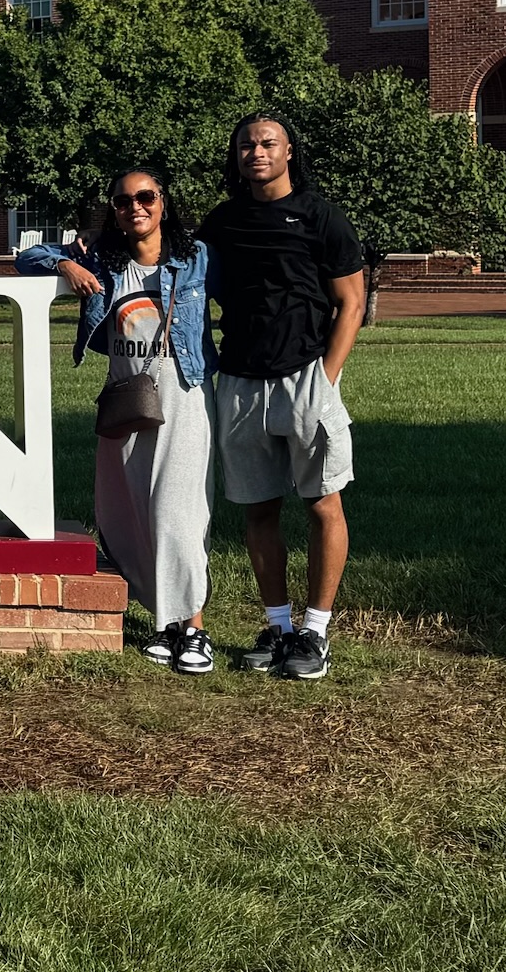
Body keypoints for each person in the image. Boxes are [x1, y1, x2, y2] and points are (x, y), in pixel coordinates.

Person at [19, 169, 218, 675]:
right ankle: (165, 621)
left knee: (179, 512)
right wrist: (66, 263)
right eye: (124, 200)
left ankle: (195, 628)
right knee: (130, 511)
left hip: (183, 394)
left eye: (146, 197)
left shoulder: (195, 257)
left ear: (163, 202)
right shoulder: (103, 260)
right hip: (126, 399)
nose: (136, 207)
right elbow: (27, 257)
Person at [199, 114, 366, 681]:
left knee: (323, 504)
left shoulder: (321, 217)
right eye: (246, 144)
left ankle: (314, 633)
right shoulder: (222, 221)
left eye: (268, 143)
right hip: (240, 382)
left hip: (306, 378)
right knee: (259, 509)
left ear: (289, 151)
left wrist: (327, 377)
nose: (257, 152)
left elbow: (351, 303)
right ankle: (279, 628)